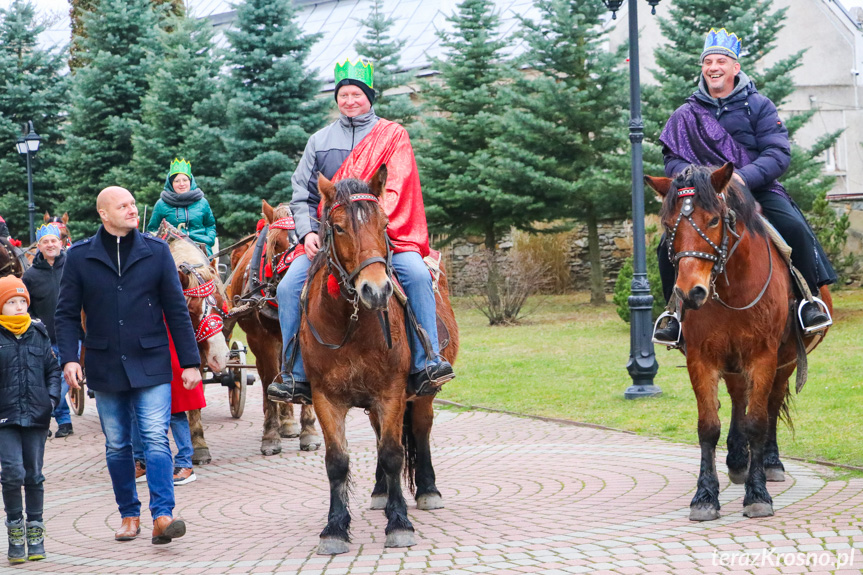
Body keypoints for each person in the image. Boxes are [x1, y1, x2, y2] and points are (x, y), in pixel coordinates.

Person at [268, 58, 454, 405]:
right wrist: (308, 233)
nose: (350, 100)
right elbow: (303, 194)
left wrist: (373, 233)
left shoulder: (392, 136)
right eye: (343, 95)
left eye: (357, 94)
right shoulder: (319, 141)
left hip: (383, 236)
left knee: (414, 273)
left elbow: (397, 188)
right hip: (330, 241)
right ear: (336, 99)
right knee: (289, 285)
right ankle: (294, 373)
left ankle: (427, 361)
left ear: (369, 96)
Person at [653, 28, 837, 344]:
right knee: (665, 247)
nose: (713, 67)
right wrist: (703, 182)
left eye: (721, 61)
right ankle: (675, 314)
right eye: (708, 61)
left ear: (735, 67)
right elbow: (673, 159)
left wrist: (741, 178)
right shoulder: (685, 114)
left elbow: (778, 152)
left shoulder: (759, 106)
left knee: (794, 228)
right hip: (703, 197)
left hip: (756, 188)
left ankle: (808, 302)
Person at [54, 186, 202, 545]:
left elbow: (176, 310)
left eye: (134, 204)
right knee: (118, 445)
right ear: (104, 214)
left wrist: (190, 362)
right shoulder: (80, 257)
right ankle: (129, 514)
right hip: (105, 364)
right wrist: (70, 358)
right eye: (123, 206)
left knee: (154, 438)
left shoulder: (156, 252)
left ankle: (163, 515)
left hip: (151, 360)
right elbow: (66, 314)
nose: (133, 210)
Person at [0, 277, 61, 563]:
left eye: (22, 301)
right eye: (11, 302)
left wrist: (50, 401)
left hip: (36, 416)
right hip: (5, 418)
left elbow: (53, 370)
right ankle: (15, 530)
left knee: (34, 474)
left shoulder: (39, 332)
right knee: (12, 474)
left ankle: (35, 531)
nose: (18, 307)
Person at [132, 329, 205, 486]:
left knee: (175, 410)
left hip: (169, 348)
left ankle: (185, 462)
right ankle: (141, 462)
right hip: (138, 348)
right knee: (134, 409)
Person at [22, 224, 75, 438]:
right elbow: (28, 306)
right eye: (46, 242)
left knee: (62, 380)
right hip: (46, 336)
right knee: (52, 379)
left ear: (61, 244)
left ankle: (42, 416)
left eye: (54, 240)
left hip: (73, 335)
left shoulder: (73, 267)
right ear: (39, 247)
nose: (50, 244)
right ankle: (64, 422)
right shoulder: (31, 276)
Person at [147, 158, 217, 255]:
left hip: (200, 248)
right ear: (171, 184)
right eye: (177, 181)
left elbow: (210, 225)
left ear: (190, 181)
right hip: (172, 250)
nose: (182, 184)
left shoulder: (202, 202)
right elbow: (153, 230)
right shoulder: (161, 204)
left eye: (185, 180)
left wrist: (209, 240)